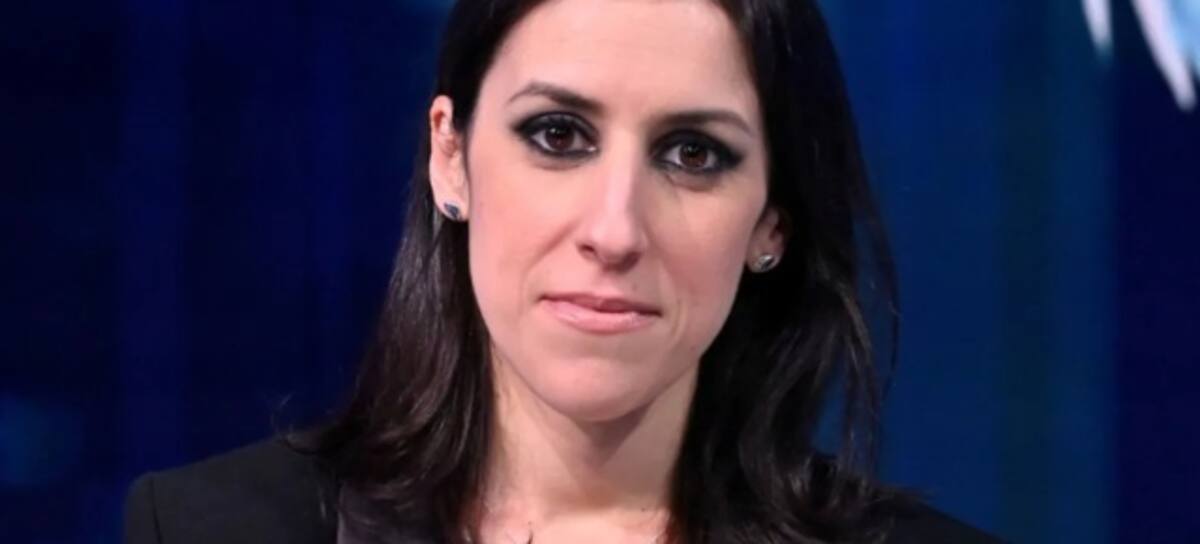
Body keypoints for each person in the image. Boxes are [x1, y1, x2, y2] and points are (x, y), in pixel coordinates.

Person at [125, 0, 1000, 542]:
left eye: (693, 154)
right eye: (557, 135)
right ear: (450, 157)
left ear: (773, 220)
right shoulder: (212, 529)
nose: (614, 231)